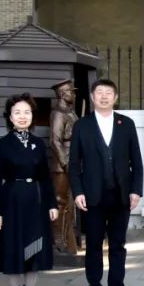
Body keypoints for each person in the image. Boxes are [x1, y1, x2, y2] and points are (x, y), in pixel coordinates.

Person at [69, 79, 144, 286]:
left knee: (118, 244)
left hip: (121, 194)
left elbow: (136, 161)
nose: (103, 96)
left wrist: (136, 190)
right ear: (92, 97)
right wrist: (77, 192)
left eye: (108, 93)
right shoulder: (82, 125)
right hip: (92, 195)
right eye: (99, 92)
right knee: (93, 244)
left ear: (115, 97)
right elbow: (74, 163)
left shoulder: (126, 124)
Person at [0, 94, 58, 286]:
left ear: (32, 116)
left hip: (36, 201)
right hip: (11, 200)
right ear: (10, 117)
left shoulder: (38, 144)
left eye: (26, 112)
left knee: (34, 249)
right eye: (17, 112)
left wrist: (52, 204)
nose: (22, 116)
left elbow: (46, 177)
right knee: (13, 247)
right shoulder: (1, 145)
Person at [49, 79, 79, 253]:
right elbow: (55, 141)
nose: (73, 94)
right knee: (60, 201)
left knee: (69, 203)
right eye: (71, 91)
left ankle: (67, 240)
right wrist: (66, 163)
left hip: (72, 160)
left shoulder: (70, 112)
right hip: (63, 165)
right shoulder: (58, 114)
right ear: (62, 94)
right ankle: (58, 240)